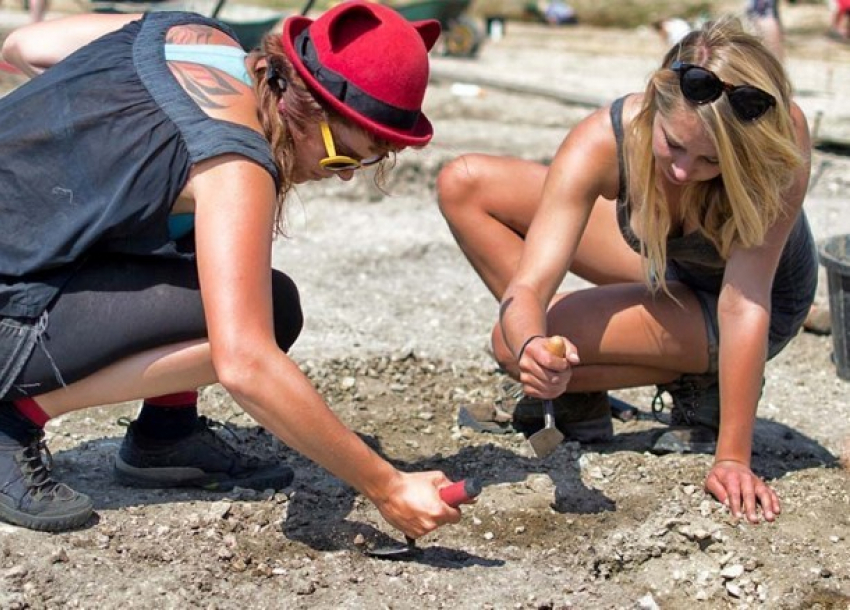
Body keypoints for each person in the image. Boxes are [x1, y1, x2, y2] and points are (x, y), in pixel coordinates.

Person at [0, 2, 466, 537]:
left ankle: (166, 433)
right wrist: (385, 484)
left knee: (190, 236)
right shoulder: (236, 165)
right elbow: (245, 363)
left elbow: (24, 48)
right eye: (345, 157)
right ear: (301, 105)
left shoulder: (191, 35)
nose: (342, 178)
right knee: (267, 315)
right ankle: (13, 422)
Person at [437, 16, 817, 524]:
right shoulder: (604, 138)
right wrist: (534, 346)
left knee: (505, 342)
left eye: (710, 162)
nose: (683, 171)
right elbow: (529, 283)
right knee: (466, 185)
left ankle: (706, 386)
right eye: (674, 146)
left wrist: (732, 459)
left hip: (752, 303)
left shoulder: (778, 130)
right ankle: (571, 385)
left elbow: (744, 300)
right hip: (672, 265)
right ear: (653, 102)